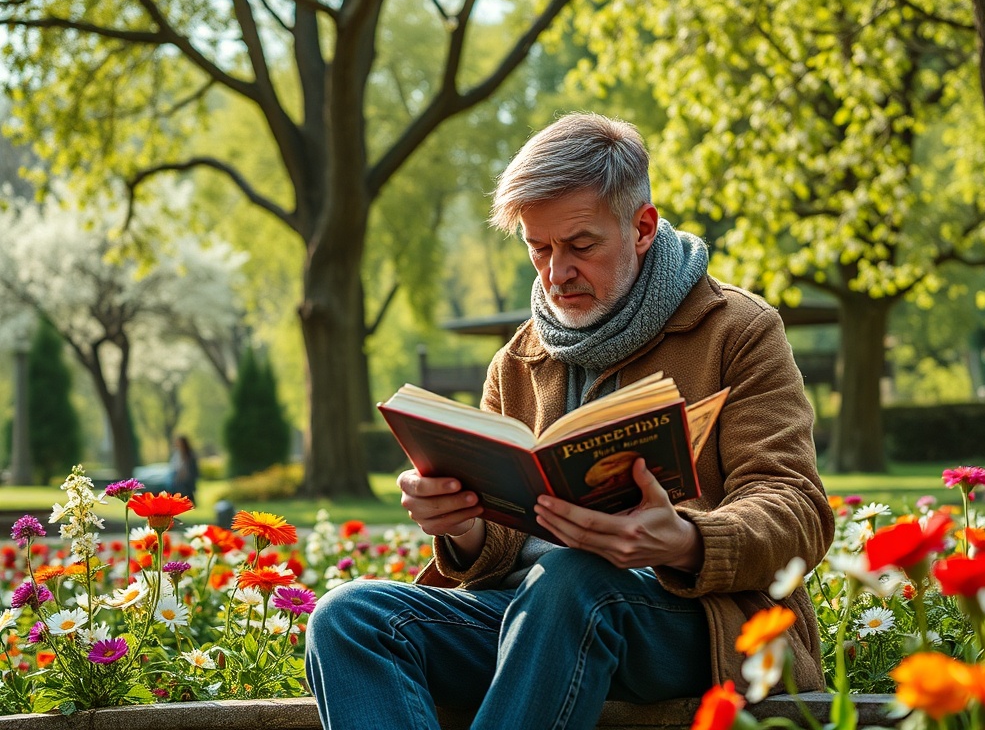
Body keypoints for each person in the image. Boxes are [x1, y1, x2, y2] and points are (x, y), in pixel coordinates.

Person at [305, 113, 834, 730]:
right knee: (349, 617)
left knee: (572, 578)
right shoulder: (518, 359)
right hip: (530, 619)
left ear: (641, 228)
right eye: (539, 249)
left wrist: (687, 541)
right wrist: (465, 524)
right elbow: (506, 533)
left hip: (692, 621)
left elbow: (795, 505)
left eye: (581, 246)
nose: (557, 272)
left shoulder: (737, 331)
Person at [169, 435, 199, 504]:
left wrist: (182, 475)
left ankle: (189, 502)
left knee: (185, 490)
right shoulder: (177, 453)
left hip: (187, 476)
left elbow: (189, 468)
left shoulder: (189, 454)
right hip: (177, 474)